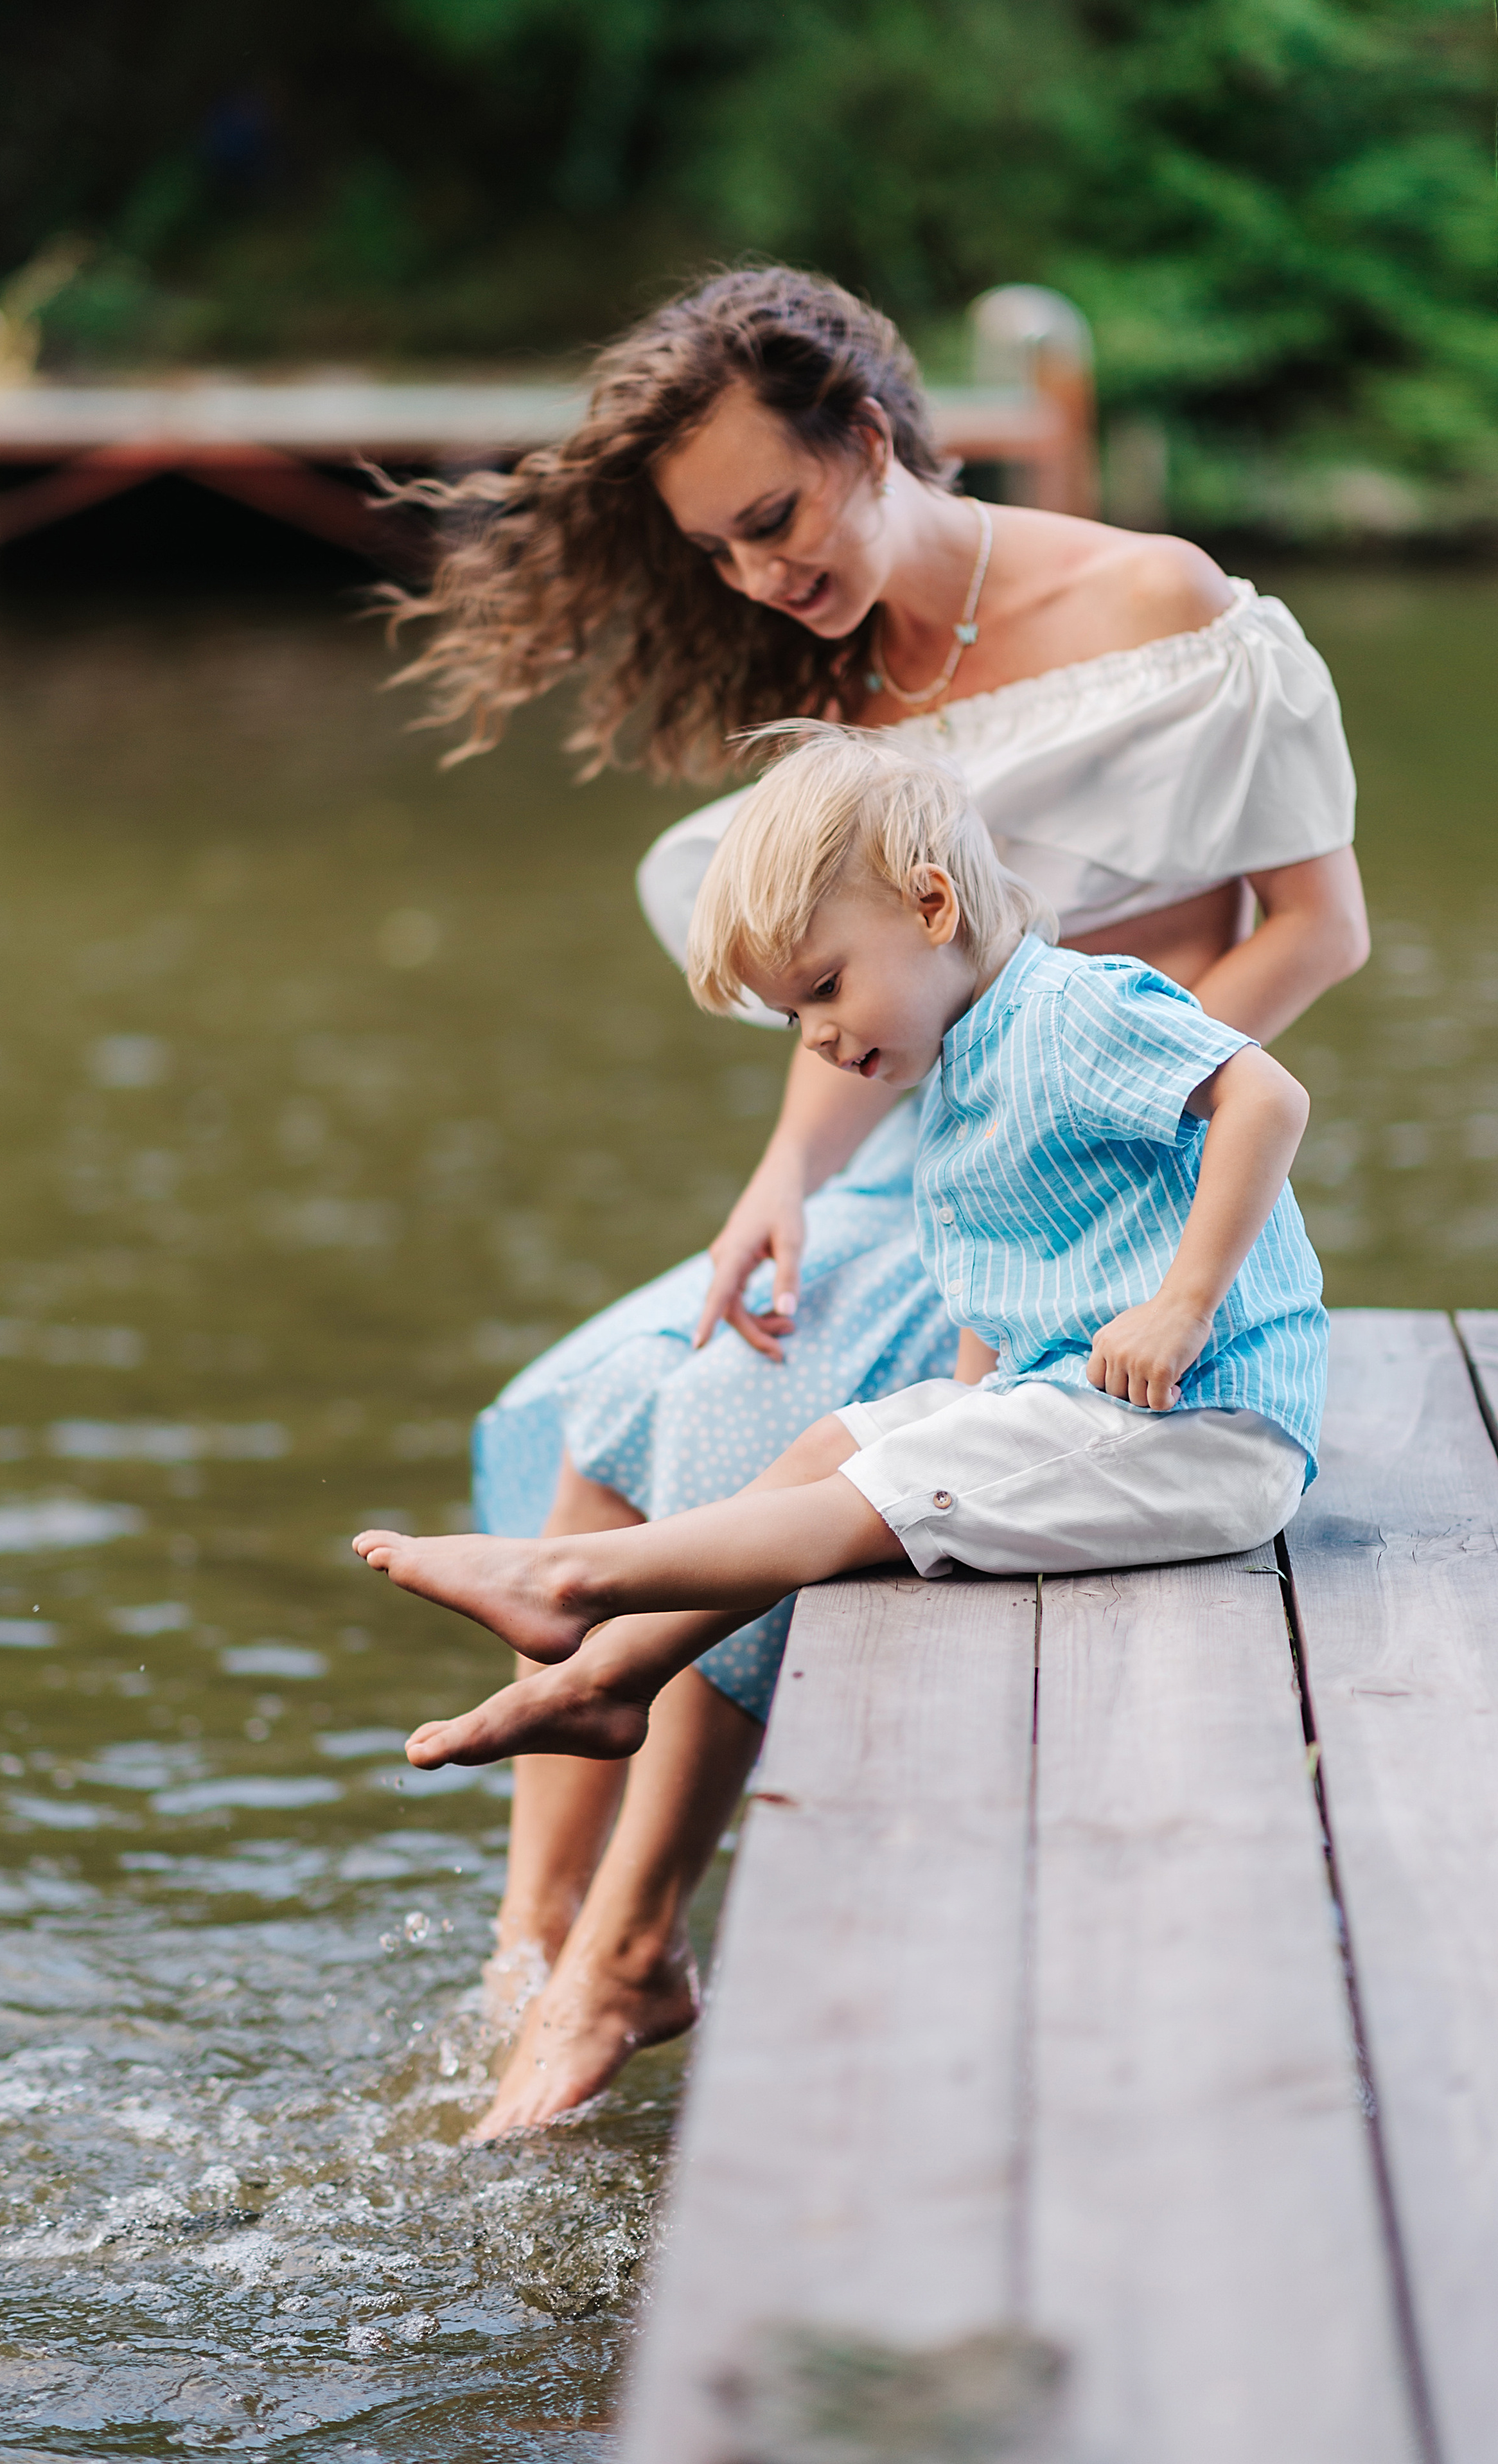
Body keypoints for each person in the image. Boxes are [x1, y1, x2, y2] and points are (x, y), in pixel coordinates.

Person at [385, 265, 1366, 2134]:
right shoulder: (847, 675)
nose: (760, 578)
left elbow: (1318, 931)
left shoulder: (1156, 602)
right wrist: (776, 1182)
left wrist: (1076, 1119)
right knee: (612, 1391)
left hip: (1082, 1178)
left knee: (734, 1418)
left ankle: (623, 1955)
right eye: (719, 554)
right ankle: (528, 1952)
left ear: (867, 430)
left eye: (776, 519)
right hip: (910, 1156)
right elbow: (858, 998)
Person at [357, 726, 1321, 1793]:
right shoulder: (965, 1062)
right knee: (833, 1443)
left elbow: (1267, 1097)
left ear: (932, 907)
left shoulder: (1072, 1008)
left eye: (824, 984)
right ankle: (617, 1677)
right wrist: (966, 1409)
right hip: (1090, 1408)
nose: (814, 1034)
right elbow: (1010, 1267)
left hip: (1200, 1428)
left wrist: (1184, 1307)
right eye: (790, 1014)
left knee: (869, 1495)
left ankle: (570, 1578)